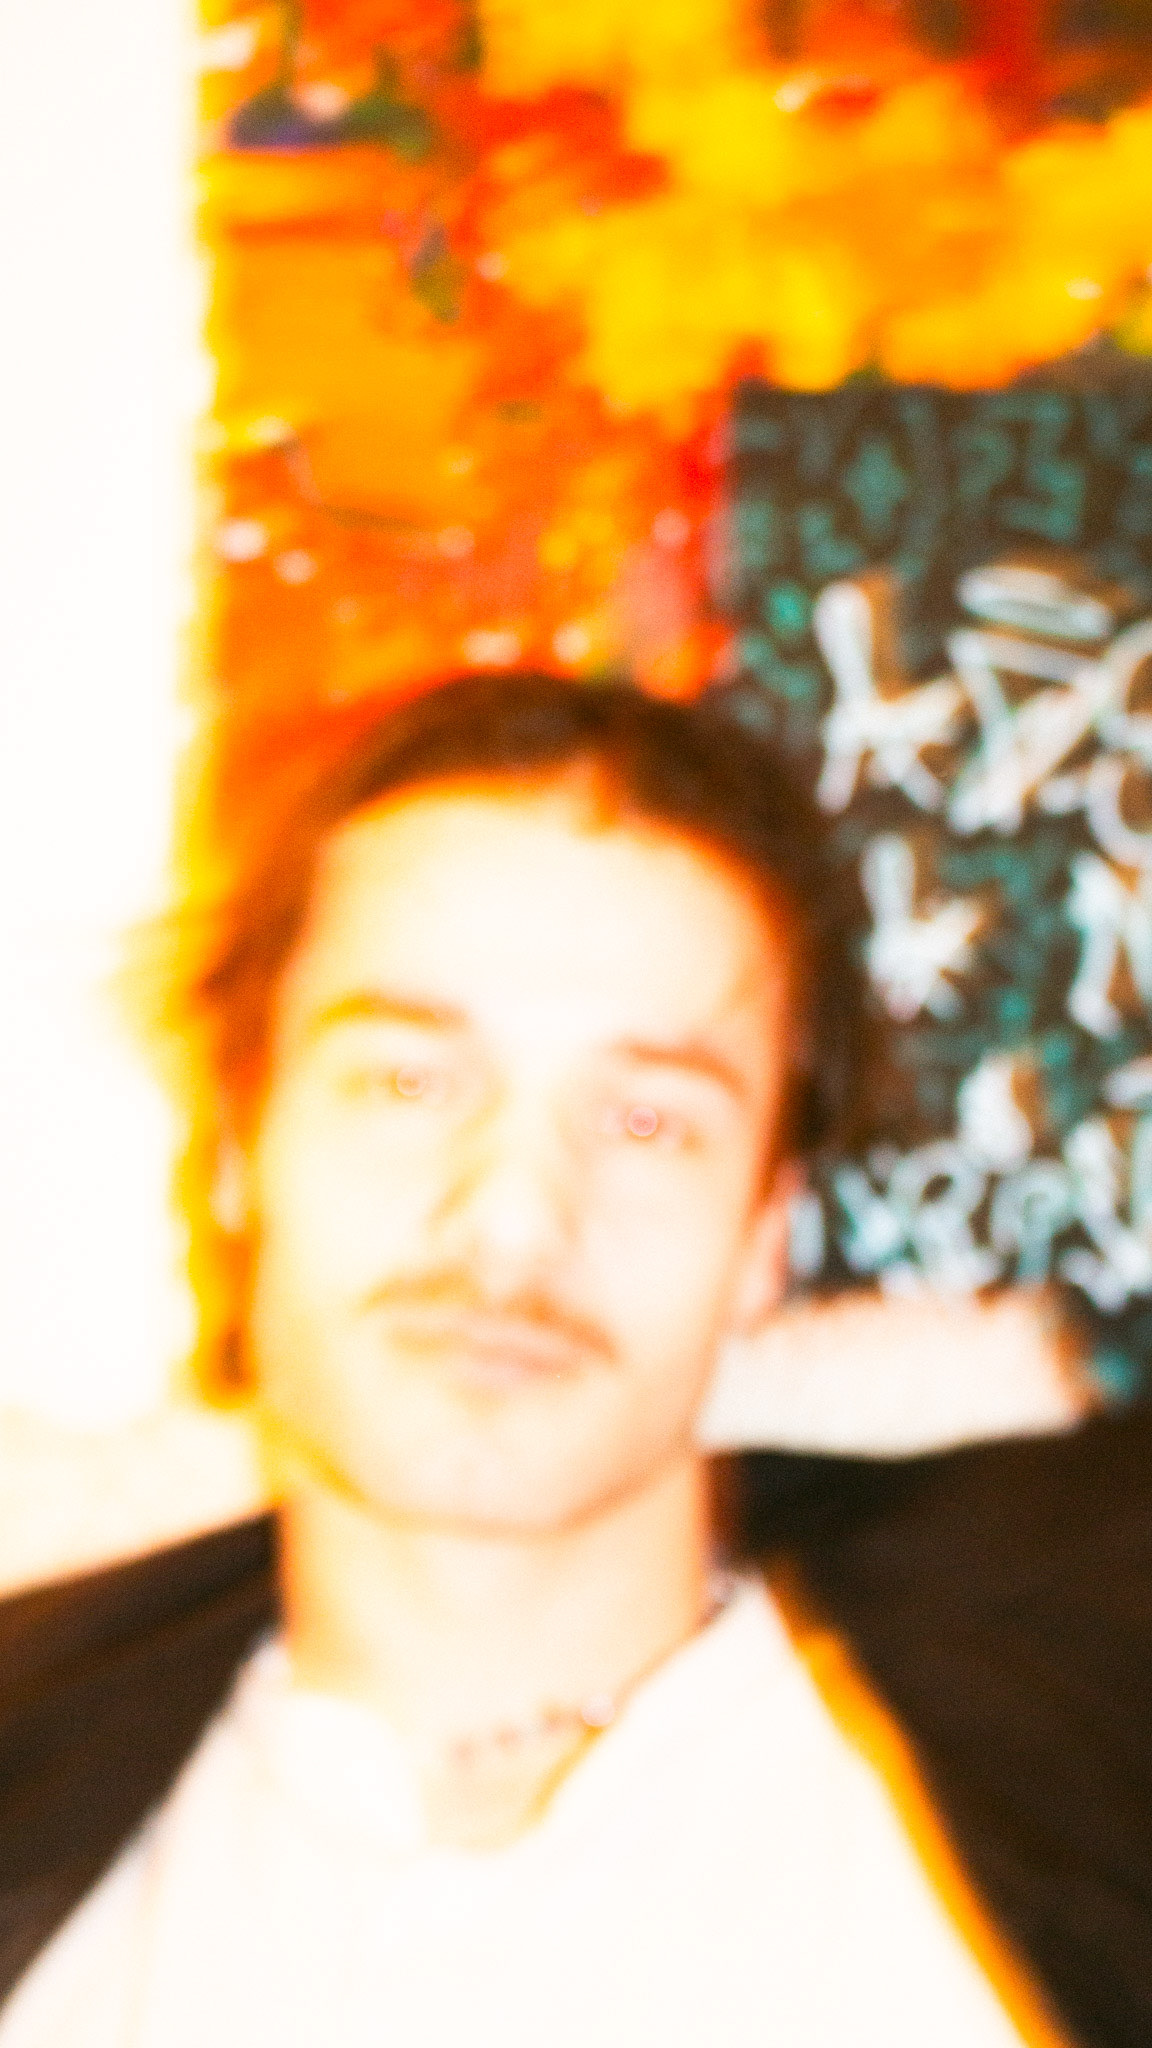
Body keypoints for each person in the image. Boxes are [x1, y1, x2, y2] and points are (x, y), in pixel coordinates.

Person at [0, 673, 1149, 2046]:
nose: (512, 1219)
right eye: (408, 1082)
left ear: (766, 1232)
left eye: (648, 1121)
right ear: (240, 1153)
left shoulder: (1088, 1737)